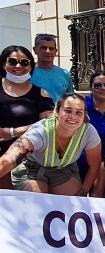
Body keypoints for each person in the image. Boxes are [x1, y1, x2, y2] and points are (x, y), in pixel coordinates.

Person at [0, 93, 101, 195]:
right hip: (31, 169)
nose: (73, 117)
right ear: (57, 111)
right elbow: (9, 158)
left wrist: (84, 191)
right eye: (67, 111)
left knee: (73, 201)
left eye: (79, 112)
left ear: (84, 115)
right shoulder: (41, 130)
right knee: (37, 199)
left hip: (63, 170)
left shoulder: (89, 132)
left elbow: (94, 165)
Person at [0, 45, 54, 188]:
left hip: (29, 159)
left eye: (24, 62)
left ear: (30, 66)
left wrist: (11, 132)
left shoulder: (41, 93)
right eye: (12, 62)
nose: (18, 66)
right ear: (3, 64)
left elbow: (47, 125)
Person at [31, 33, 74, 103]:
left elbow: (71, 100)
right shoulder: (28, 73)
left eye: (51, 48)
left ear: (55, 51)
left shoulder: (65, 74)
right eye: (43, 48)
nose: (48, 51)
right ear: (35, 50)